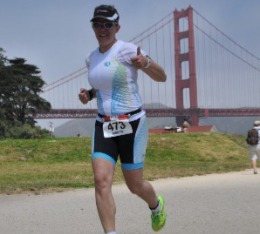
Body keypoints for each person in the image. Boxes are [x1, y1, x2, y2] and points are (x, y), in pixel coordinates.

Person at [78, 5, 167, 234]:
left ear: (117, 27)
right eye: (97, 24)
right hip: (104, 124)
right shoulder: (91, 58)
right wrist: (89, 95)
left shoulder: (128, 50)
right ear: (93, 27)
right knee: (101, 180)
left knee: (134, 185)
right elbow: (104, 86)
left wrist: (145, 63)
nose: (102, 29)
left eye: (108, 24)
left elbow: (162, 76)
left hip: (132, 124)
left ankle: (155, 205)